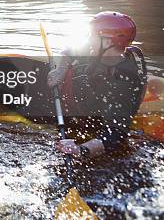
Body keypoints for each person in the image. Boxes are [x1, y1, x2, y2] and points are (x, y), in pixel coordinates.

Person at [46, 11, 147, 159]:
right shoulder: (105, 48)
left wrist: (80, 150)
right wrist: (60, 70)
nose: (88, 39)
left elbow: (116, 134)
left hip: (102, 118)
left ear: (107, 42)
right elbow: (70, 50)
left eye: (91, 35)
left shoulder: (124, 82)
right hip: (93, 94)